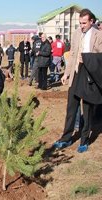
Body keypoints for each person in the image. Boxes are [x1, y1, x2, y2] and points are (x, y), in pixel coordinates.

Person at [53, 9, 102, 153]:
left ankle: (84, 140)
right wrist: (66, 74)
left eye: (84, 23)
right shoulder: (76, 34)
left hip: (89, 76)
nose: (82, 26)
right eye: (80, 23)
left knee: (87, 110)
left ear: (91, 21)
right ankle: (66, 138)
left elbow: (101, 56)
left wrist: (87, 58)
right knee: (71, 108)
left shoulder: (99, 35)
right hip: (75, 74)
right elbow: (72, 54)